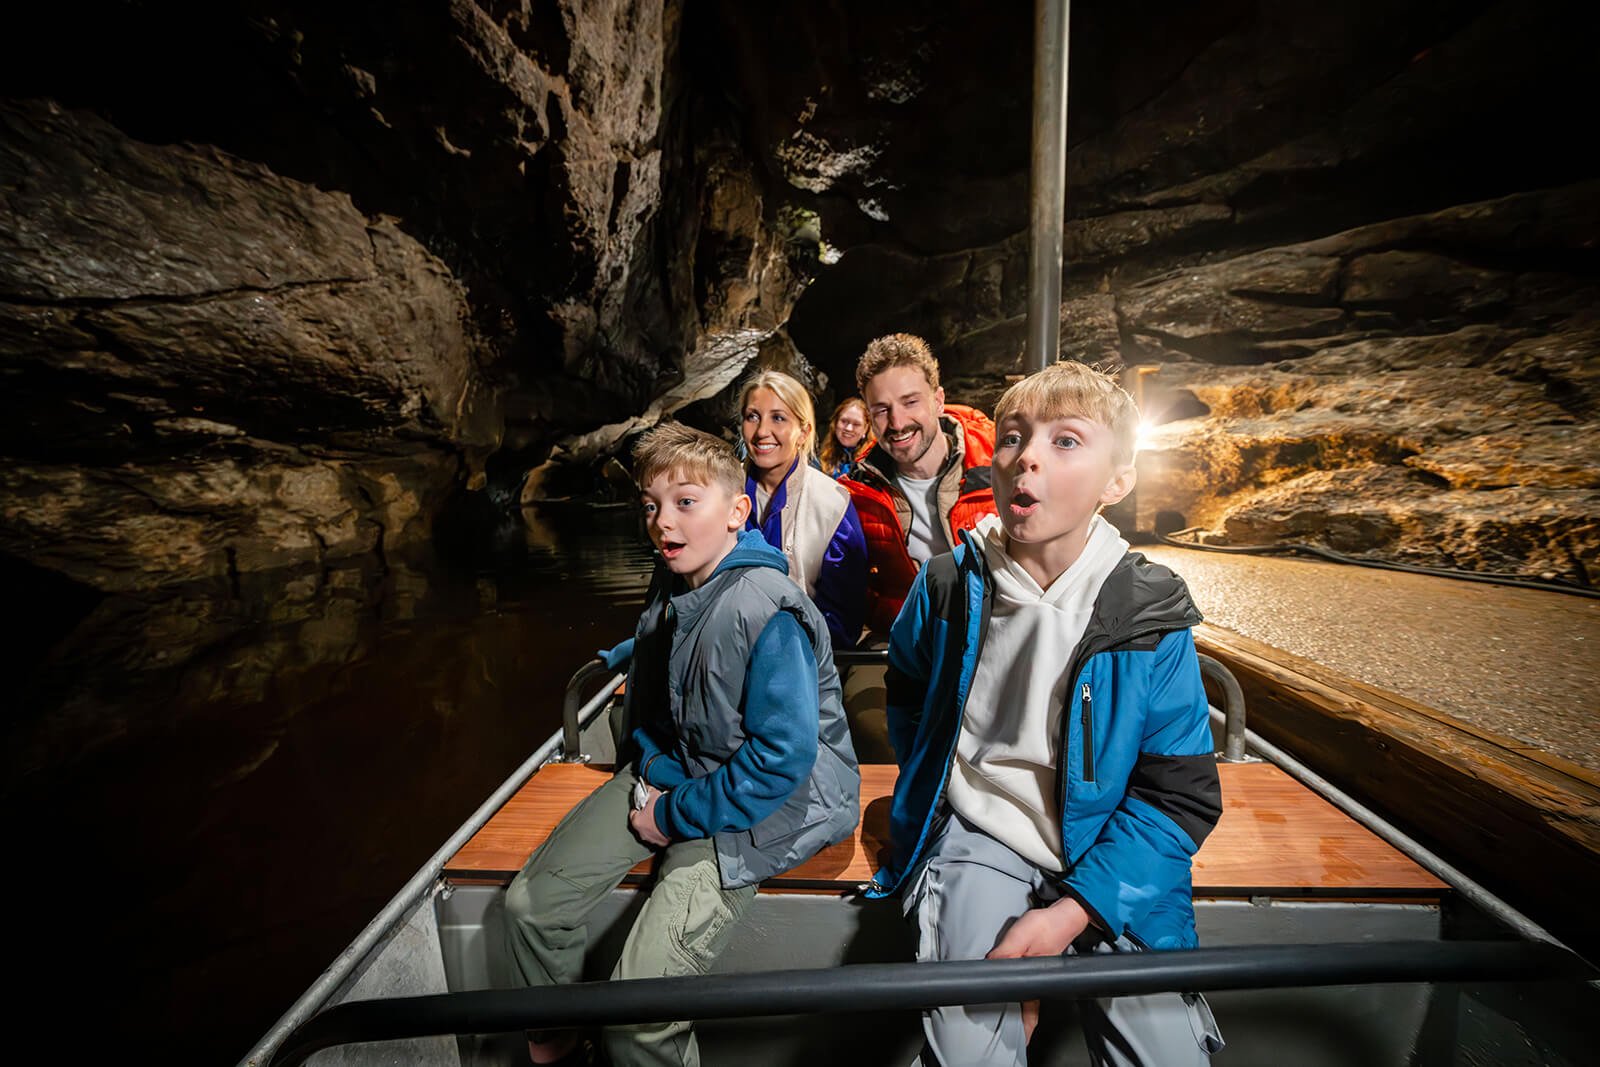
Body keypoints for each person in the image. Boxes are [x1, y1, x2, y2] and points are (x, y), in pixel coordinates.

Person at [864, 360, 1225, 1066]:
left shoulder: (1149, 613)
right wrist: (935, 785)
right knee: (967, 1038)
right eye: (1012, 438)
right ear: (994, 468)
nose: (1026, 455)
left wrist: (1071, 913)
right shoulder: (946, 586)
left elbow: (1176, 794)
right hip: (980, 826)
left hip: (1109, 837)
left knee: (1165, 1051)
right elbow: (905, 685)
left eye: (1065, 441)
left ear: (1117, 481)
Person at [503, 423, 861, 1067]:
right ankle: (558, 1041)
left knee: (639, 1021)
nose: (662, 522)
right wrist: (628, 654)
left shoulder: (767, 610)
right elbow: (676, 640)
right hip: (672, 766)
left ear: (736, 512)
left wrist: (668, 816)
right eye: (651, 505)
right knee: (532, 906)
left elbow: (779, 761)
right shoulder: (679, 581)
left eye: (686, 502)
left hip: (758, 807)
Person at [842, 333, 998, 634]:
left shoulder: (1001, 462)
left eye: (910, 402)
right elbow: (858, 588)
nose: (898, 422)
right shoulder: (859, 494)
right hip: (912, 647)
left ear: (938, 401)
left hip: (999, 638)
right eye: (881, 410)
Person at [739, 369, 868, 648]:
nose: (762, 432)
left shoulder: (832, 501)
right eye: (752, 416)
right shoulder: (720, 493)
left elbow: (843, 615)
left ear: (804, 431)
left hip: (804, 656)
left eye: (778, 418)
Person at [818, 396, 872, 479]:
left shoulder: (872, 465)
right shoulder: (818, 459)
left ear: (865, 429)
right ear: (835, 423)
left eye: (856, 424)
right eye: (844, 421)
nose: (848, 428)